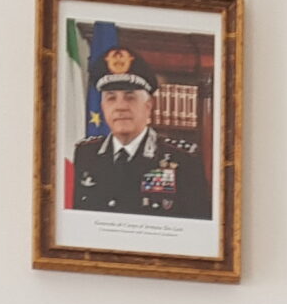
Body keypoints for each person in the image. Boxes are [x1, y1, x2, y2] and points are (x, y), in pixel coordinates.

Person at [67, 48, 211, 218]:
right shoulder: (86, 154)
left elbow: (197, 225)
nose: (120, 107)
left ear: (148, 105)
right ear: (103, 107)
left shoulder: (182, 158)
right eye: (111, 98)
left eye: (130, 97)